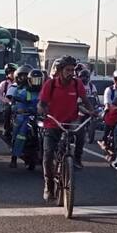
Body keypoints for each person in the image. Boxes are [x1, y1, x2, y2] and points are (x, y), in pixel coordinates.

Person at [38, 55, 88, 200]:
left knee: (81, 131)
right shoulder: (50, 84)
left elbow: (85, 101)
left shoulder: (77, 84)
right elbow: (42, 103)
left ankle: (76, 159)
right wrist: (42, 110)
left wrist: (92, 111)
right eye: (68, 70)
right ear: (60, 70)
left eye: (73, 70)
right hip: (52, 123)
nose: (71, 73)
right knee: (48, 155)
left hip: (70, 122)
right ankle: (49, 185)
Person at [7, 66, 41, 169]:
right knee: (20, 132)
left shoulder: (44, 91)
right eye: (34, 80)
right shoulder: (23, 91)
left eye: (38, 80)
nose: (36, 83)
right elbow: (17, 103)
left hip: (39, 116)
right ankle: (14, 158)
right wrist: (20, 109)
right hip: (26, 116)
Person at [0, 63, 18, 140]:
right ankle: (7, 130)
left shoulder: (20, 82)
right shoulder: (4, 83)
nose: (12, 74)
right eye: (10, 72)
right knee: (8, 111)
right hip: (9, 104)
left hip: (20, 103)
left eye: (13, 72)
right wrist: (6, 100)